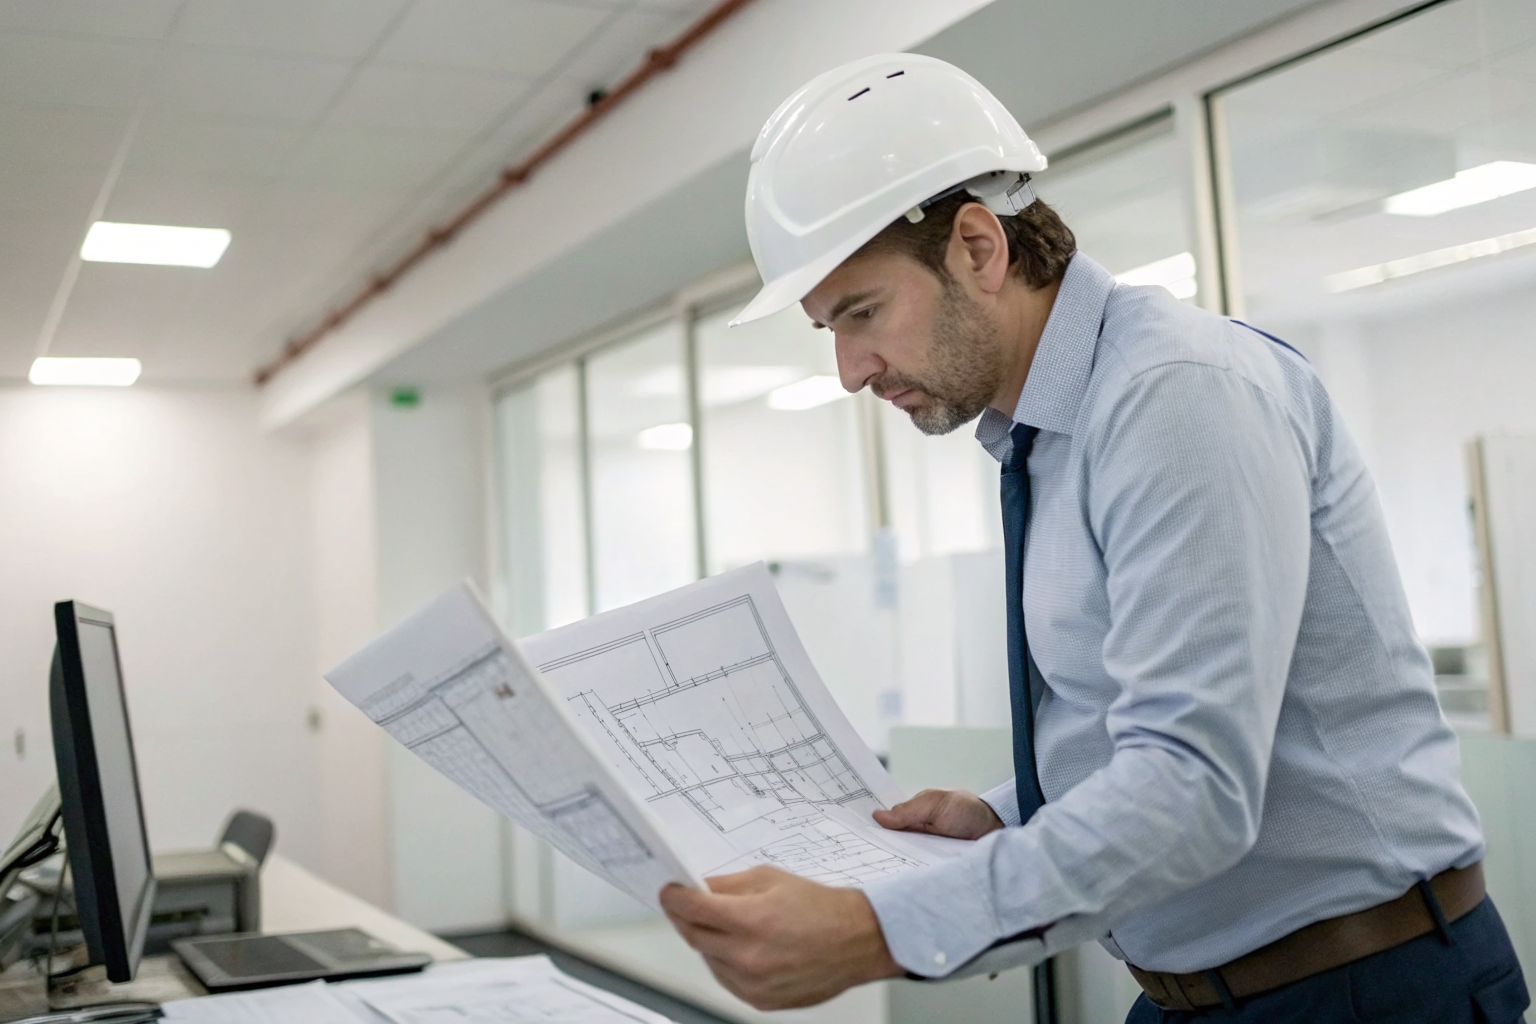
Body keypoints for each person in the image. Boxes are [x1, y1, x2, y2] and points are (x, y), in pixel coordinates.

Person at [656, 53, 1531, 1024]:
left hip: (1359, 989)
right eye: (827, 328)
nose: (852, 370)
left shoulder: (1178, 397)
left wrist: (878, 927)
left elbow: (1192, 786)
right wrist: (1007, 809)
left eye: (861, 313)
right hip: (1200, 990)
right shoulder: (1045, 433)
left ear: (979, 248)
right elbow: (1134, 716)